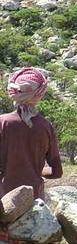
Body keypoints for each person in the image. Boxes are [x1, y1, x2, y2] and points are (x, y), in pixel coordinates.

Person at [0, 68, 62, 199]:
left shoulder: (3, 122)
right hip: (35, 200)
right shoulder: (46, 126)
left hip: (5, 200)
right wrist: (35, 171)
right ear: (39, 94)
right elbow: (57, 172)